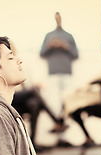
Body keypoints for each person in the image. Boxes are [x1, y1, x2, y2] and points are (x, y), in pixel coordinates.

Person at [63, 36, 101, 148]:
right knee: (74, 98)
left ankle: (62, 121)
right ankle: (63, 121)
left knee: (71, 99)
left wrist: (87, 84)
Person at [40, 12, 78, 141]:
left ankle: (64, 136)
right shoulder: (48, 36)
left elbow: (75, 54)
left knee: (66, 103)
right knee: (55, 103)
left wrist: (65, 46)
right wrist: (50, 46)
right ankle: (59, 137)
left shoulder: (69, 36)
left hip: (66, 72)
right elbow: (42, 53)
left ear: (61, 18)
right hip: (53, 73)